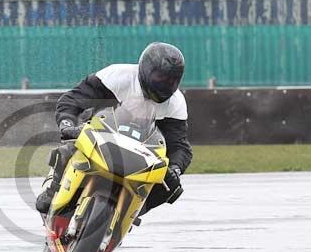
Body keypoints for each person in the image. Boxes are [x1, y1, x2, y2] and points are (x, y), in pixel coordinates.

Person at [35, 42, 193, 216]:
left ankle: (131, 213)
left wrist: (176, 168)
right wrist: (67, 124)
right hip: (100, 136)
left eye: (171, 80)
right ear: (146, 70)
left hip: (142, 153)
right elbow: (73, 100)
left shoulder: (176, 102)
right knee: (69, 148)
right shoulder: (117, 76)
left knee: (172, 187)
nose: (165, 84)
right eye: (160, 77)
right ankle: (53, 188)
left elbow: (179, 145)